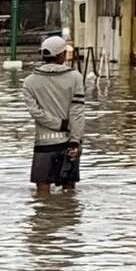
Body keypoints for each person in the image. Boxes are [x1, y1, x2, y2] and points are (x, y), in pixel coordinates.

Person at [24, 35, 87, 194]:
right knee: (69, 193)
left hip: (43, 145)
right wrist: (75, 139)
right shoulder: (76, 78)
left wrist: (58, 124)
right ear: (62, 56)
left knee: (42, 191)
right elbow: (77, 111)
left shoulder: (29, 82)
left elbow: (35, 112)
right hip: (69, 142)